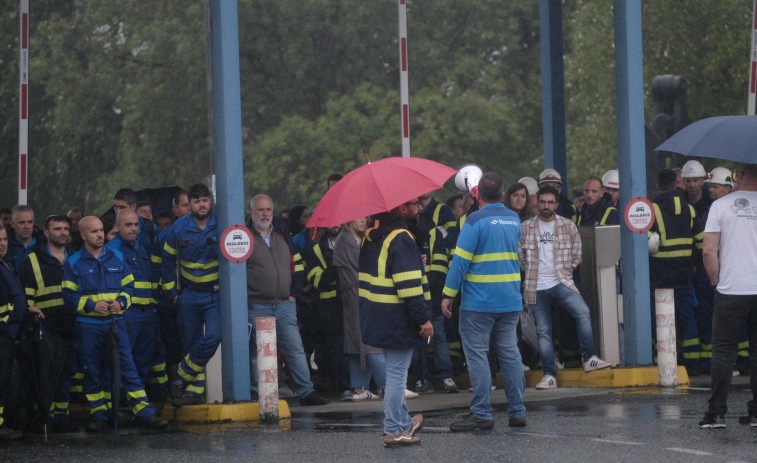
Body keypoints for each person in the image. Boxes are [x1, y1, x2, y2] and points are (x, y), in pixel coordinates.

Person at [62, 216, 167, 431]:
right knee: (92, 371)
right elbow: (69, 297)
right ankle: (99, 414)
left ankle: (145, 413)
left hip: (115, 323)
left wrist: (121, 302)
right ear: (83, 236)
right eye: (94, 231)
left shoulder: (117, 257)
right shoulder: (73, 263)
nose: (100, 234)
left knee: (128, 368)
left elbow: (129, 288)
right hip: (88, 325)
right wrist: (92, 305)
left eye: (101, 230)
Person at [441, 172, 527, 431]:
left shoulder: (473, 220)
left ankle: (481, 413)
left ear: (477, 197)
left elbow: (460, 262)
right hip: (510, 299)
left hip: (479, 302)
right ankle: (517, 411)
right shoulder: (514, 219)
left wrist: (448, 294)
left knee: (478, 356)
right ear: (502, 195)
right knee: (510, 354)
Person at [520, 186, 611, 389]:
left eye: (550, 202)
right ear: (538, 204)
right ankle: (549, 375)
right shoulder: (525, 227)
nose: (546, 206)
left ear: (557, 205)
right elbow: (520, 258)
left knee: (583, 313)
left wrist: (563, 272)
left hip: (562, 282)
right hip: (536, 286)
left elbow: (577, 255)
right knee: (544, 331)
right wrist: (533, 272)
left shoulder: (568, 226)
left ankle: (589, 358)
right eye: (542, 202)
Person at [359, 199, 432, 447]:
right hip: (398, 317)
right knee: (397, 376)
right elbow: (409, 286)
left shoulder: (372, 236)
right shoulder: (401, 237)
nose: (420, 208)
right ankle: (394, 430)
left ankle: (403, 422)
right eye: (415, 204)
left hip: (378, 315)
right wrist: (423, 319)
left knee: (394, 373)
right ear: (401, 208)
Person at [245, 194, 328, 406]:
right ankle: (259, 394)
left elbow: (297, 265)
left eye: (268, 210)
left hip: (284, 304)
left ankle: (306, 392)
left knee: (295, 349)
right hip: (256, 304)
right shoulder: (243, 236)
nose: (265, 214)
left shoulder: (282, 234)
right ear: (251, 212)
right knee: (258, 354)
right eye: (260, 210)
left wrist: (294, 293)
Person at [698, 164, 757, 429]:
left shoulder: (720, 206)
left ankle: (717, 414)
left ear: (741, 176)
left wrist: (714, 279)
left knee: (723, 352)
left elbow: (709, 251)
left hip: (731, 290)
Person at [161, 184, 221, 407]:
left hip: (215, 295)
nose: (201, 204)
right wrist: (171, 293)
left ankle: (182, 373)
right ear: (190, 205)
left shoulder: (222, 224)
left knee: (214, 336)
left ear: (210, 201)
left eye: (205, 200)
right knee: (190, 342)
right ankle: (193, 393)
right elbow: (167, 262)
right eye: (196, 201)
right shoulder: (178, 228)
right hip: (189, 295)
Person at [18, 215, 78, 431]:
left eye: (65, 228)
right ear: (45, 232)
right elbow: (25, 300)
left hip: (71, 326)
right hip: (46, 328)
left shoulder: (76, 257)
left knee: (67, 372)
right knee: (46, 374)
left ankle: (62, 415)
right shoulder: (32, 260)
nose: (62, 232)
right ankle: (47, 416)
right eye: (57, 228)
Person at [107, 210, 167, 405]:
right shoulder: (112, 251)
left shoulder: (140, 248)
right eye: (128, 225)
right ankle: (122, 404)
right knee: (126, 361)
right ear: (117, 226)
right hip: (127, 314)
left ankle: (137, 404)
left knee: (144, 359)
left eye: (136, 225)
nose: (133, 228)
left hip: (147, 312)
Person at [649, 169, 704, 375]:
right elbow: (700, 241)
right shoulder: (690, 209)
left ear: (658, 187)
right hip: (684, 274)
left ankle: (659, 361)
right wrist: (695, 263)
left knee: (660, 320)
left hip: (660, 275)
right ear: (677, 184)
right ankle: (694, 364)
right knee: (687, 318)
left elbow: (647, 242)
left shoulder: (652, 209)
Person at [333, 217, 386, 401]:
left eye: (365, 217)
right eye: (358, 217)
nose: (364, 221)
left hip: (354, 295)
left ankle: (358, 389)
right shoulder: (347, 239)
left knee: (357, 344)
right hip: (357, 295)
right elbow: (365, 262)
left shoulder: (350, 238)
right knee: (370, 343)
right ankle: (389, 387)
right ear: (348, 220)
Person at [152, 190, 189, 399]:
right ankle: (176, 383)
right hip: (171, 301)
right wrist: (170, 295)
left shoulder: (209, 231)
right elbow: (158, 269)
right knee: (174, 344)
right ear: (175, 209)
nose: (189, 209)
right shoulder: (166, 236)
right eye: (185, 205)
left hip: (197, 297)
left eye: (191, 204)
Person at [306, 225, 349, 395]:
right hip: (329, 307)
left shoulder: (353, 243)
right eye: (331, 222)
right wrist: (335, 265)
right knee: (336, 348)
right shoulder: (315, 249)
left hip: (352, 302)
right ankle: (345, 386)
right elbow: (316, 281)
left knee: (358, 346)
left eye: (338, 221)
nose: (335, 225)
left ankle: (364, 385)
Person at [0, 227, 26, 438]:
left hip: (9, 334)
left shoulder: (6, 262)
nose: (3, 243)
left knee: (5, 380)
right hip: (3, 334)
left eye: (5, 239)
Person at [8, 205, 44, 271]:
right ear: (12, 224)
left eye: (30, 222)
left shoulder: (44, 245)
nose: (26, 226)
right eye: (22, 222)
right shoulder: (5, 246)